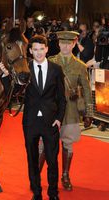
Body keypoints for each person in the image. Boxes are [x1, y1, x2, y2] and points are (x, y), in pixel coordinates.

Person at [39, 31, 93, 191]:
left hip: (70, 112)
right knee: (43, 144)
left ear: (74, 43)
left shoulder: (80, 66)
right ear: (58, 44)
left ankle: (65, 175)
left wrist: (89, 113)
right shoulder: (49, 61)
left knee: (68, 144)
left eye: (69, 43)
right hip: (51, 111)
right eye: (62, 43)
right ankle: (37, 174)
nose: (65, 46)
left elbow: (87, 90)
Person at [23, 35, 66, 200]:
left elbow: (62, 98)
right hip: (30, 122)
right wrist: (6, 76)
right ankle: (37, 192)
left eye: (42, 49)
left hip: (50, 122)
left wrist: (59, 118)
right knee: (32, 160)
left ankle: (53, 193)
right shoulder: (24, 68)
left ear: (47, 49)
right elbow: (14, 91)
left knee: (52, 160)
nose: (39, 53)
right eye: (35, 49)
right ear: (30, 51)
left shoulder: (56, 69)